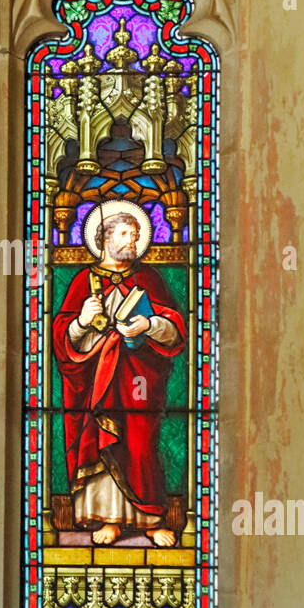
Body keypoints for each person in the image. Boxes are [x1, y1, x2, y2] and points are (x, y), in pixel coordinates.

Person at [52, 204, 185, 547]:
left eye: (137, 234)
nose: (133, 240)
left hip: (139, 380)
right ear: (106, 237)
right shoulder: (85, 280)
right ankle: (108, 518)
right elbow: (63, 337)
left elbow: (176, 328)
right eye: (126, 234)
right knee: (100, 440)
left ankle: (151, 519)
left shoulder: (149, 279)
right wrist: (82, 320)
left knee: (140, 443)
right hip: (97, 379)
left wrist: (151, 324)